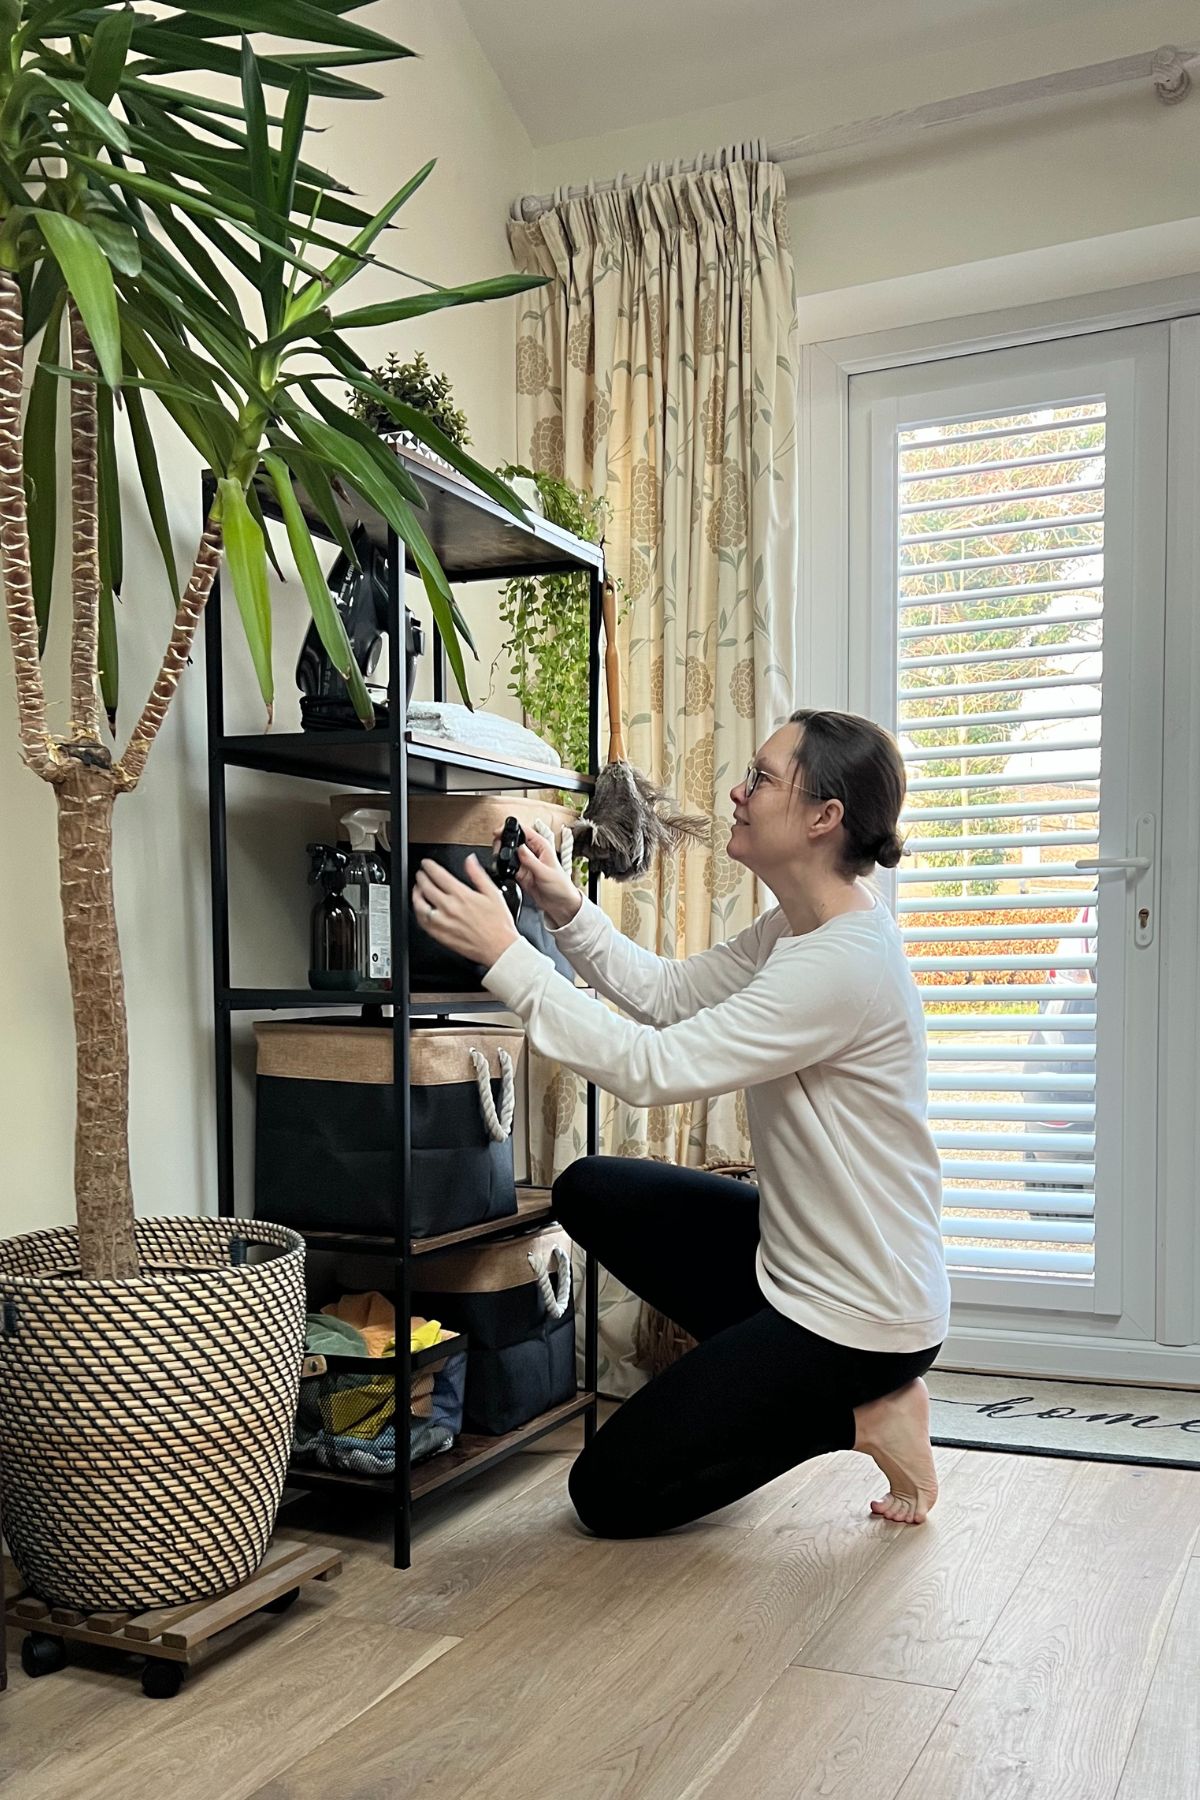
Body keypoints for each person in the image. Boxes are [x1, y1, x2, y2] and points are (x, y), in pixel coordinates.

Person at [413, 708, 950, 1537]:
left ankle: (865, 1415)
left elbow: (651, 1069)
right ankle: (765, 1377)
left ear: (824, 817)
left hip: (859, 1315)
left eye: (762, 778)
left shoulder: (843, 964)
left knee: (607, 1495)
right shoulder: (798, 927)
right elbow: (668, 995)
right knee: (591, 1190)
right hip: (797, 1262)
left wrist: (505, 958)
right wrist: (563, 907)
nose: (738, 791)